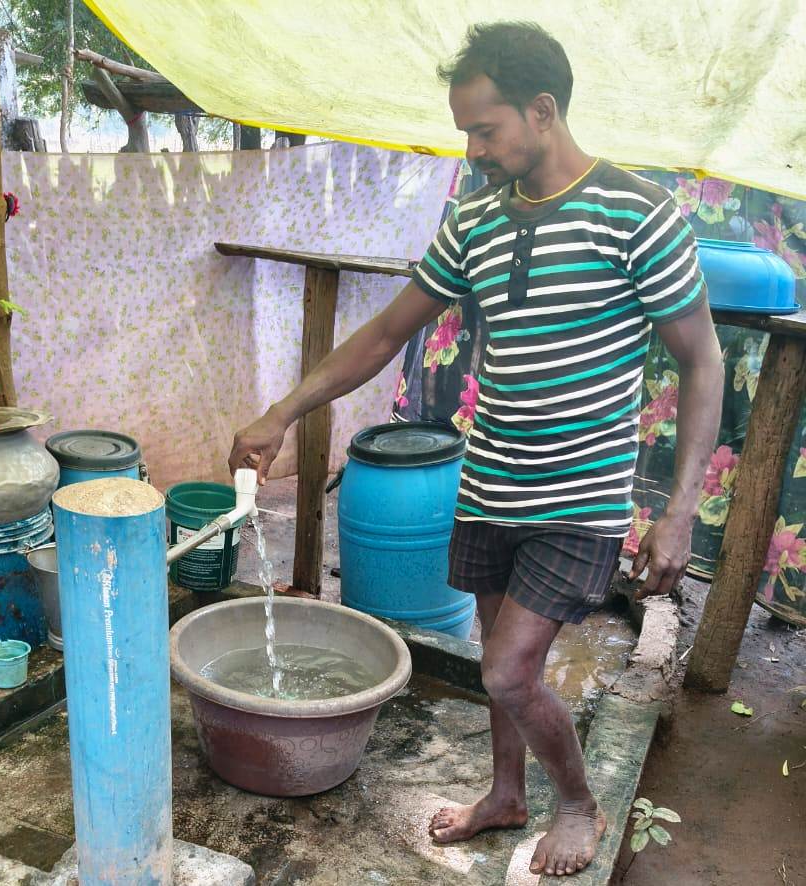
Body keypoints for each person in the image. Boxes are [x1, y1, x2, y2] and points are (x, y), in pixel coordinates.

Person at [228, 21, 724, 878]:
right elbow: (385, 333)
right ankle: (506, 795)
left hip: (577, 498)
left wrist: (679, 511)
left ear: (543, 111)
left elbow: (702, 359)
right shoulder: (476, 221)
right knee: (498, 654)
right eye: (465, 131)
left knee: (505, 672)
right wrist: (283, 413)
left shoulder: (638, 214)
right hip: (490, 484)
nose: (473, 150)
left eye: (485, 130)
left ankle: (579, 804)